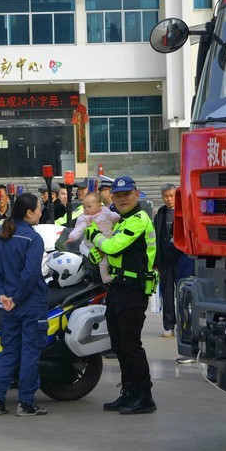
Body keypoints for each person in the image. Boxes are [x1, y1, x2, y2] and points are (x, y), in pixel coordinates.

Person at [88, 176, 158, 415]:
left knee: (131, 345)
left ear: (137, 194)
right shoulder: (119, 220)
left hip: (134, 289)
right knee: (118, 344)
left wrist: (93, 237)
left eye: (127, 194)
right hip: (118, 287)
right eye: (118, 195)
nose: (122, 198)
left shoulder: (139, 219)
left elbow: (112, 246)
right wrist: (96, 255)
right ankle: (129, 392)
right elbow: (107, 254)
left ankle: (144, 396)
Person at [0, 192, 50, 417]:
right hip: (30, 303)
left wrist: (3, 295)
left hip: (8, 306)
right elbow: (31, 273)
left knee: (9, 353)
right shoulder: (33, 238)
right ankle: (25, 403)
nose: (41, 212)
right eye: (39, 208)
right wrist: (17, 298)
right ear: (29, 213)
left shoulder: (4, 233)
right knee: (31, 353)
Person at [66, 192, 118, 284]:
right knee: (103, 262)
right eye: (84, 207)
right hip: (94, 244)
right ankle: (105, 277)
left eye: (89, 207)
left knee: (112, 258)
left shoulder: (106, 212)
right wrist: (72, 237)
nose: (86, 209)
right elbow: (79, 228)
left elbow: (113, 216)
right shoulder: (85, 218)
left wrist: (119, 218)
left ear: (98, 206)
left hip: (109, 240)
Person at [153, 185, 182, 338]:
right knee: (167, 294)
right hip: (165, 260)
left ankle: (184, 326)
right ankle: (169, 325)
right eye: (166, 196)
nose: (169, 199)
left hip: (181, 259)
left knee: (183, 294)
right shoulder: (160, 215)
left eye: (171, 196)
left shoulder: (184, 211)